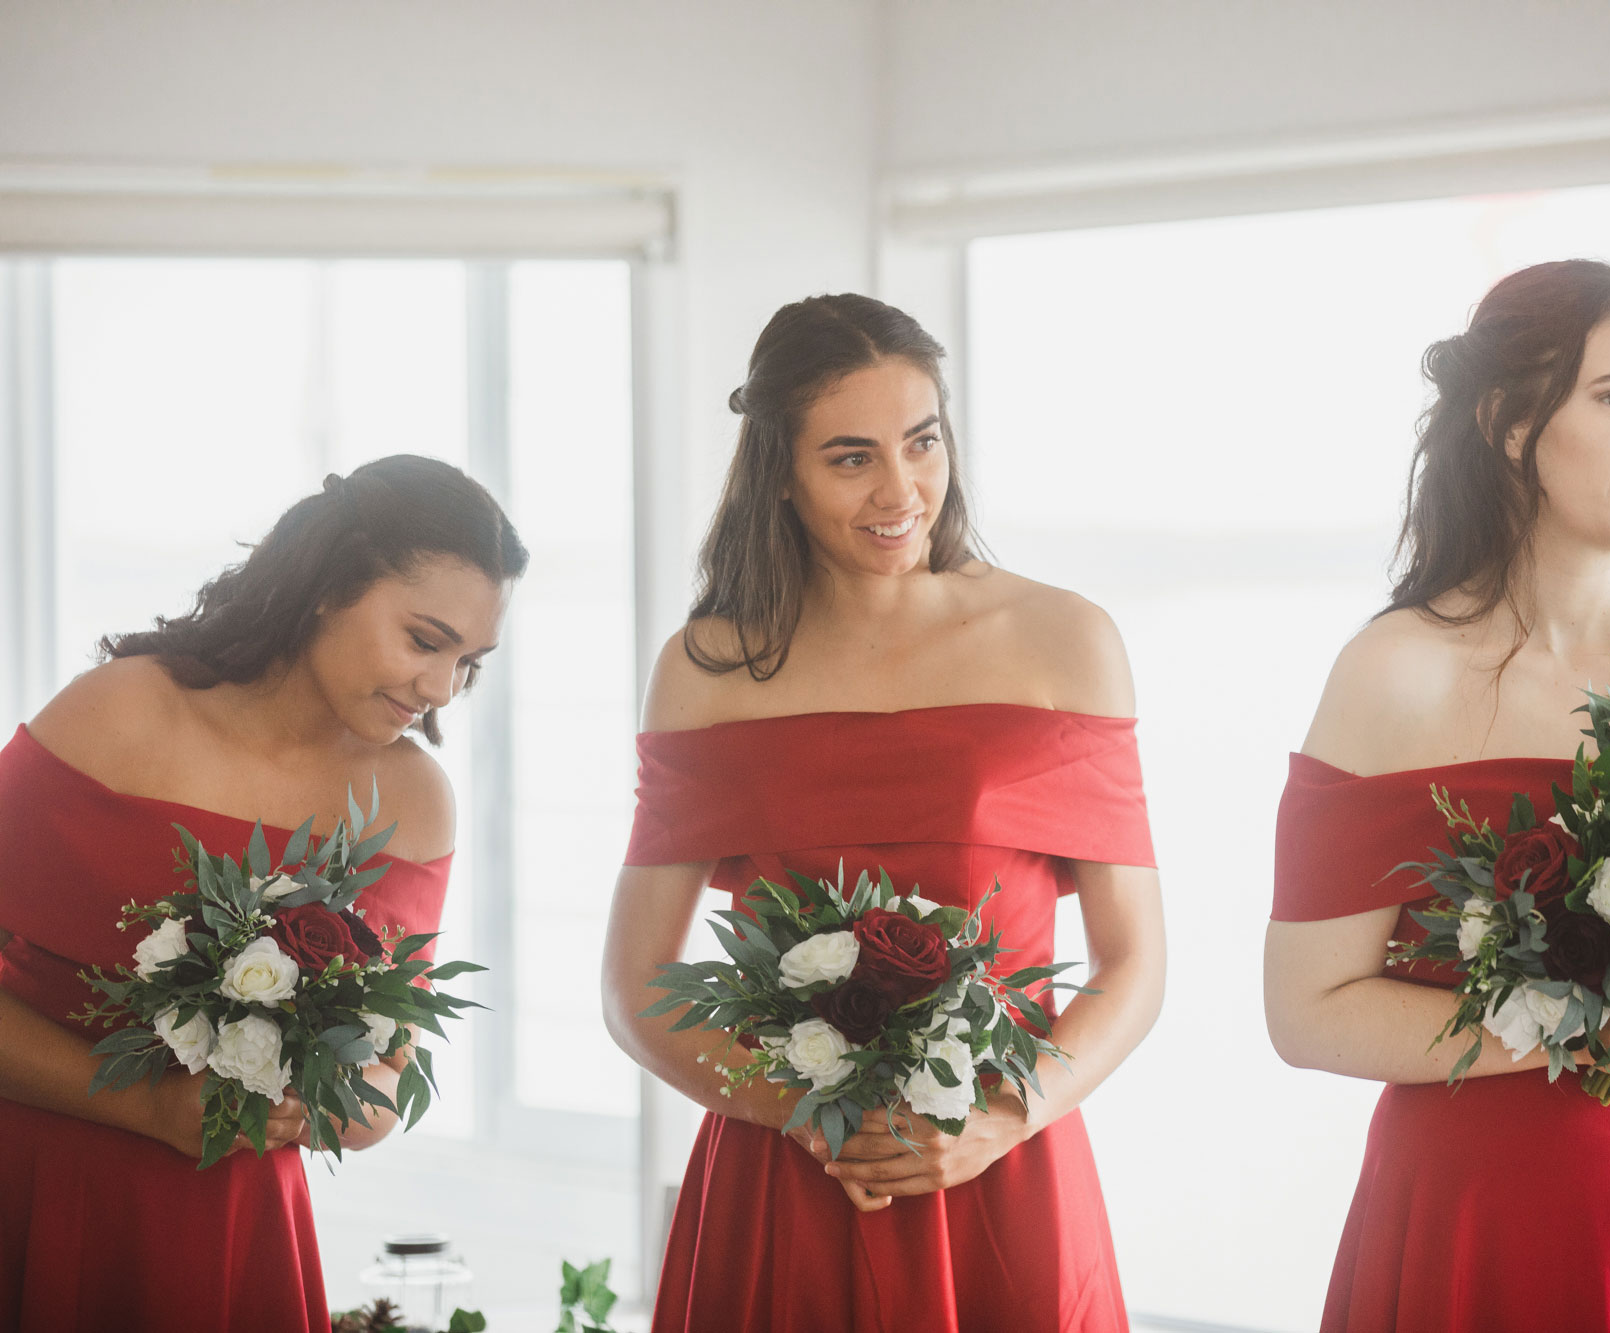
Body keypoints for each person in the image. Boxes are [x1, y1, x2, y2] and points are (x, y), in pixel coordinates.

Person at [1263, 261, 1610, 1333]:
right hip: (1473, 1211)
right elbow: (1304, 1014)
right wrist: (1570, 1035)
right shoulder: (1392, 674)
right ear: (1510, 423)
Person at [603, 294, 1167, 1333]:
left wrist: (1001, 1118)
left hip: (1004, 1172)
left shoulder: (1065, 640)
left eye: (922, 441)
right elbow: (634, 984)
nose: (900, 490)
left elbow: (1134, 963)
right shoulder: (707, 668)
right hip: (786, 1176)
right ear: (780, 470)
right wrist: (808, 1116)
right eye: (851, 457)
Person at [0, 454, 526, 1333]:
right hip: (37, 1180)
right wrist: (147, 1106)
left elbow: (380, 1089)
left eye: (469, 662)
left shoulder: (417, 803)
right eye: (425, 641)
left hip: (237, 1223)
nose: (440, 688)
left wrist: (332, 1102)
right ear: (328, 587)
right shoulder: (119, 714)